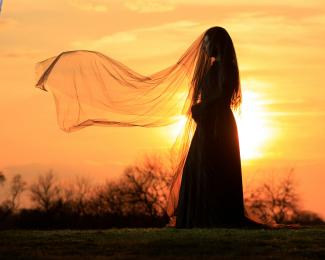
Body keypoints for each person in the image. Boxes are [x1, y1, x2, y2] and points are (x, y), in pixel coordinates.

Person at [34, 26, 281, 229]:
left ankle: (216, 218)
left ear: (216, 43)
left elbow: (223, 95)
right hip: (208, 125)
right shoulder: (214, 67)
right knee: (201, 170)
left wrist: (202, 109)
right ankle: (200, 218)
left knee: (213, 169)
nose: (203, 47)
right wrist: (201, 110)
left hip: (218, 127)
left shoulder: (225, 67)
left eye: (207, 42)